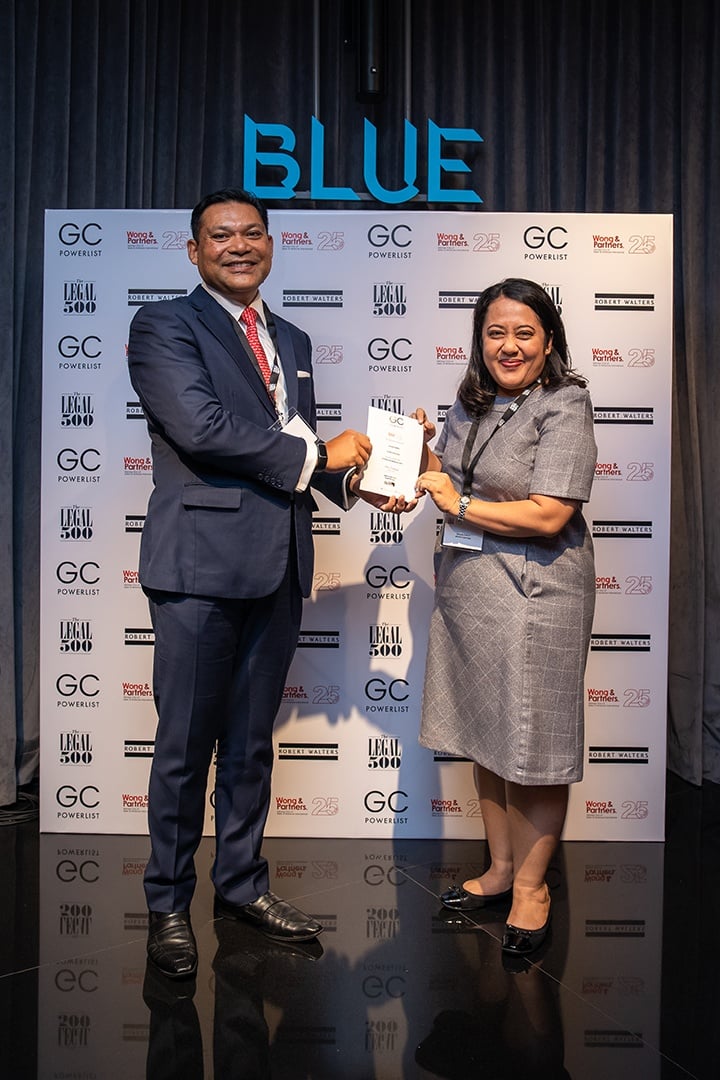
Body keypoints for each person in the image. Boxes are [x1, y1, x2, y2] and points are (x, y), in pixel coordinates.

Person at [128, 187, 406, 978]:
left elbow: (294, 447)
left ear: (272, 245)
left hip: (279, 564)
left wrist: (363, 482)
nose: (239, 245)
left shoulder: (292, 337)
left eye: (253, 232)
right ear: (194, 251)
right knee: (185, 746)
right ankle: (167, 905)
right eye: (221, 235)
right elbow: (201, 428)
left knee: (250, 745)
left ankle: (242, 885)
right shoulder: (164, 326)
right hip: (198, 568)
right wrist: (323, 456)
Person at [413, 278, 596, 958]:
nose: (509, 346)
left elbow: (550, 512)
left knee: (535, 745)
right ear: (480, 341)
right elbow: (453, 483)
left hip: (535, 593)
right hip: (472, 590)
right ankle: (498, 868)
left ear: (548, 340)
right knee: (485, 731)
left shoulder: (565, 403)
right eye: (496, 333)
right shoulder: (472, 401)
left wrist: (455, 504)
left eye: (524, 333)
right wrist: (421, 455)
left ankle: (531, 887)